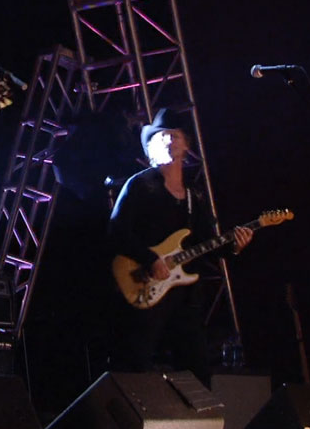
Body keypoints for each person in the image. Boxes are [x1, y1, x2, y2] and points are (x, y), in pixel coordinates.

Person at [106, 108, 253, 385]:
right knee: (133, 367)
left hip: (184, 297)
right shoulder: (140, 185)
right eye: (161, 136)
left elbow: (207, 243)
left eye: (174, 136)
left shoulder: (194, 196)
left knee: (197, 373)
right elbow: (117, 231)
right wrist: (150, 259)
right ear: (150, 147)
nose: (169, 141)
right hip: (144, 285)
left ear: (186, 145)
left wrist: (234, 246)